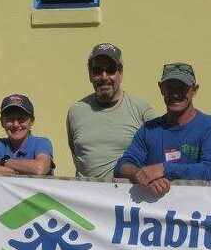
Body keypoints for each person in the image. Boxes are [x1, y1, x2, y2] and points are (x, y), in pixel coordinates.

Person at [115, 62, 211, 195]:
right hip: (153, 213)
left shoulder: (209, 126)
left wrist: (163, 169)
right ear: (161, 88)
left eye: (182, 88)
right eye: (170, 87)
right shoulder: (149, 129)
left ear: (194, 90)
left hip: (194, 211)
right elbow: (122, 166)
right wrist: (142, 175)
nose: (175, 93)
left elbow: (210, 170)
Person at [67, 43, 156, 179]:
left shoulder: (142, 111)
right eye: (97, 70)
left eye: (110, 70)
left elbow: (156, 155)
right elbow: (77, 156)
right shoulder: (75, 112)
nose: (104, 77)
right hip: (85, 197)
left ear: (120, 73)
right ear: (90, 74)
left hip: (127, 198)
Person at [0, 94, 54, 178]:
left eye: (21, 119)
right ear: (2, 122)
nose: (16, 124)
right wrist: (19, 171)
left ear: (32, 121)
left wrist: (4, 162)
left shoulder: (41, 142)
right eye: (10, 119)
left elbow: (40, 169)